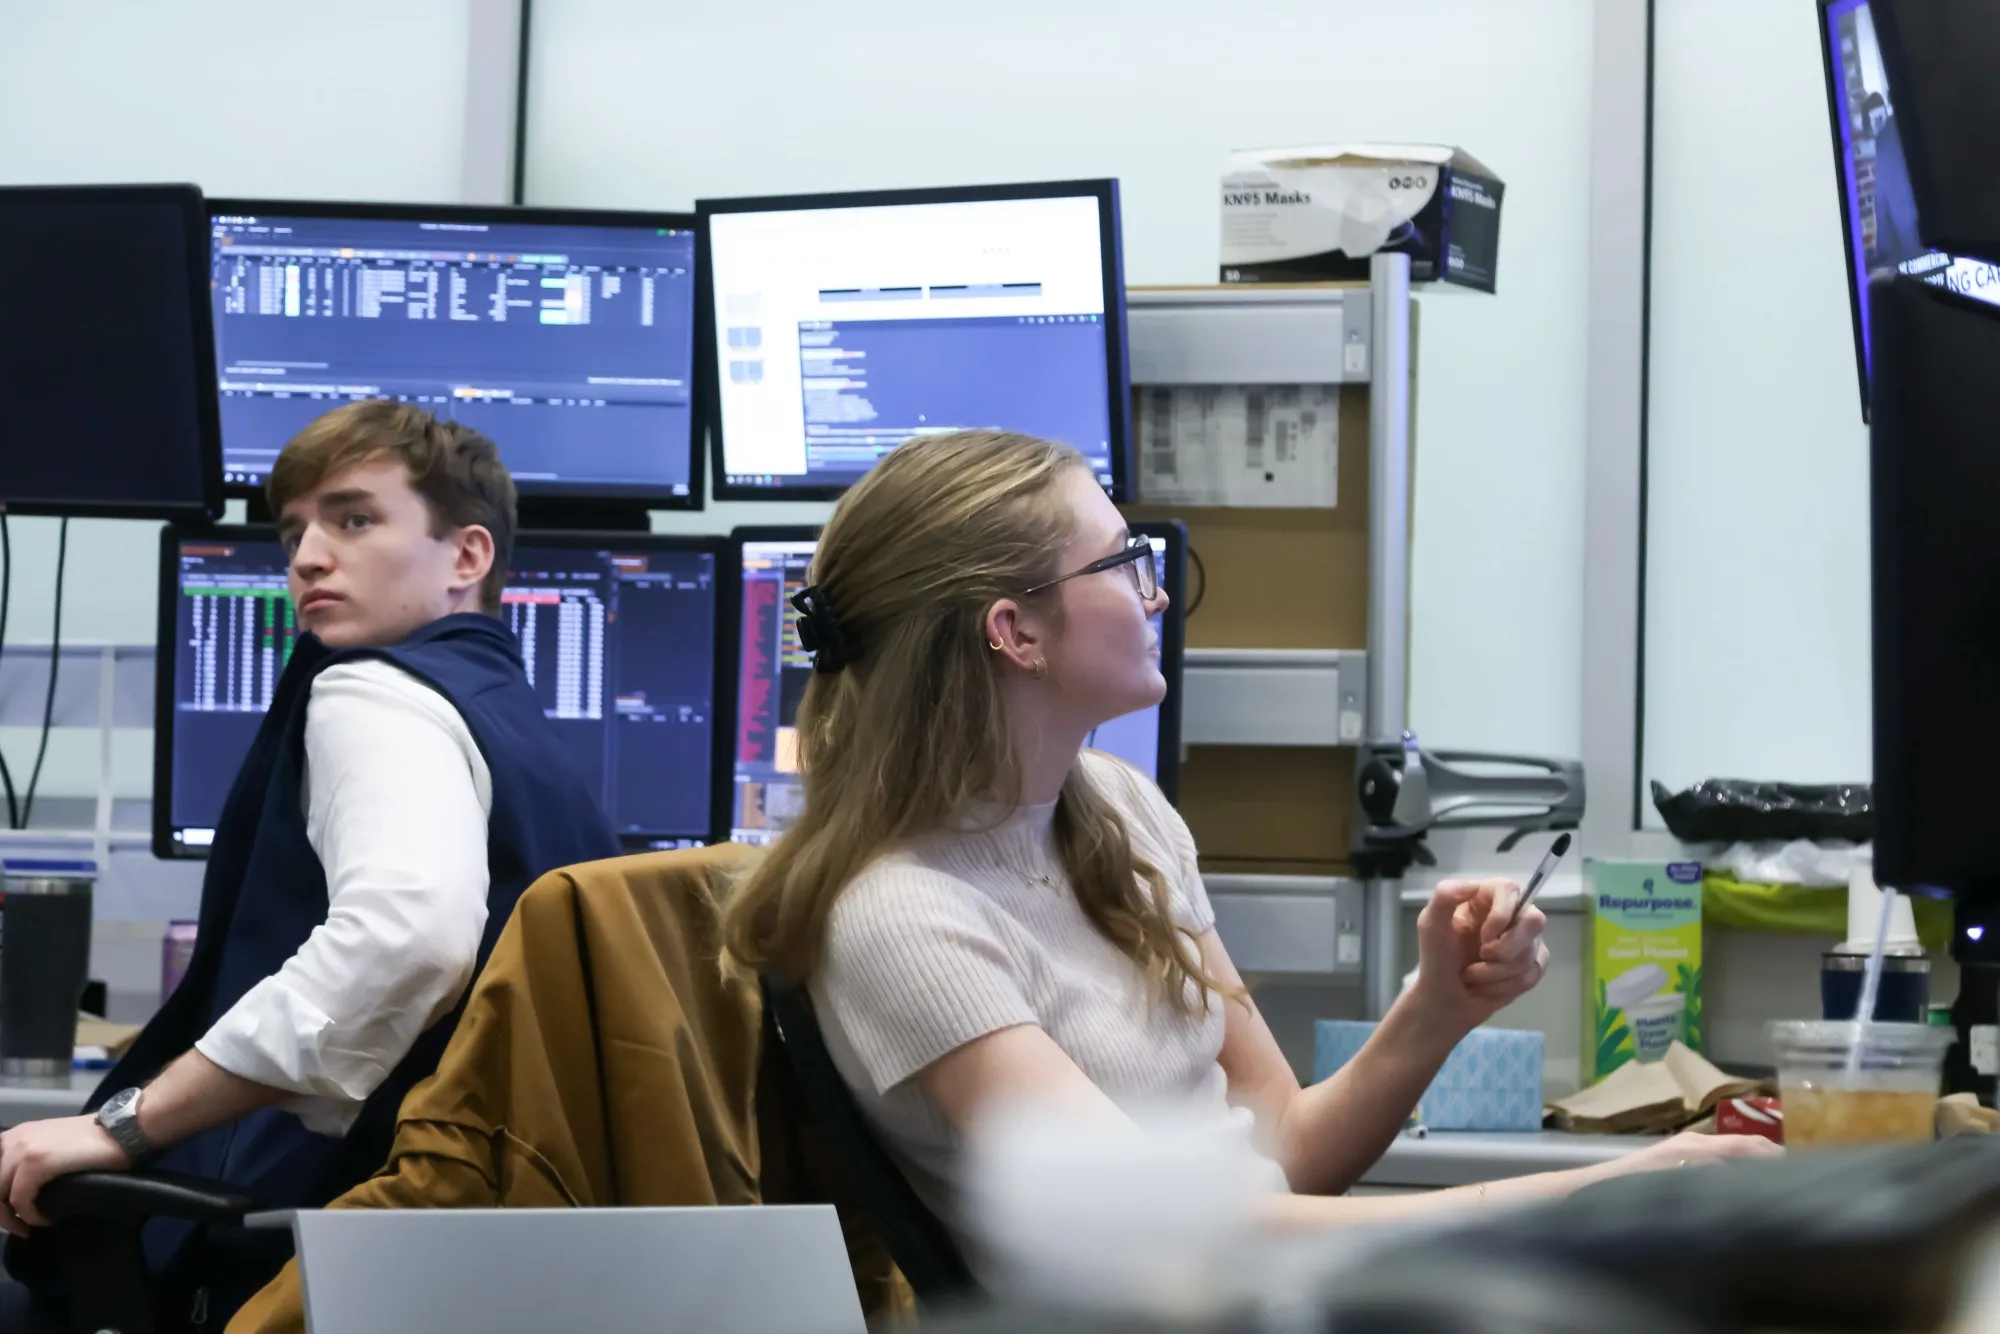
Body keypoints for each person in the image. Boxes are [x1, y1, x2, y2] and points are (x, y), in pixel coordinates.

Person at [721, 430, 1776, 1268]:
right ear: (1015, 632)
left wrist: (1439, 1005)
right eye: (1121, 560)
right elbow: (1183, 1244)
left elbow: (1282, 1148)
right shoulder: (902, 918)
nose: (1151, 591)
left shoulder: (1116, 812)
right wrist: (1611, 1191)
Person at [0, 402, 623, 1329]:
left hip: (340, 1241)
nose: (306, 557)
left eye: (354, 518)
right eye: (295, 531)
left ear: (467, 557)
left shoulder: (374, 690)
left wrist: (121, 1125)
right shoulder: (518, 726)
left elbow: (405, 940)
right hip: (506, 1246)